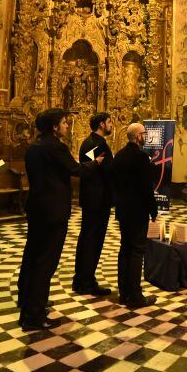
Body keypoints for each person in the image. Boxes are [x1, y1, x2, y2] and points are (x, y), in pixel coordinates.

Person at [17, 108, 98, 331]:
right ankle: (34, 314)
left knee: (32, 257)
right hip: (53, 211)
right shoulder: (55, 147)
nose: (66, 126)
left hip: (37, 207)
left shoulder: (34, 146)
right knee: (46, 263)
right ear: (54, 126)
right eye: (63, 123)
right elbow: (75, 169)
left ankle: (27, 301)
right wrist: (95, 163)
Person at [114, 122, 158, 309]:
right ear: (138, 136)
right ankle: (135, 296)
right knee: (136, 251)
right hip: (138, 210)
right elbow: (146, 188)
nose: (145, 136)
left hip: (123, 210)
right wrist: (153, 209)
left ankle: (124, 293)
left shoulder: (120, 155)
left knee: (125, 248)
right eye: (144, 134)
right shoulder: (141, 157)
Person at [73, 112, 115, 296]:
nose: (112, 125)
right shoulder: (97, 145)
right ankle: (86, 281)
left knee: (87, 238)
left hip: (93, 198)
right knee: (92, 240)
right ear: (101, 124)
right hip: (97, 200)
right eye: (109, 122)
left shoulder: (89, 142)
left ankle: (81, 279)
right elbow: (103, 170)